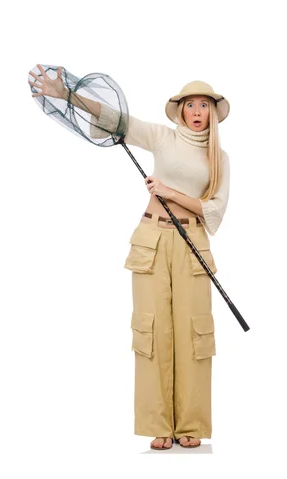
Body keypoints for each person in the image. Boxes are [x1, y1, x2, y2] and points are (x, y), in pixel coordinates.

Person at [30, 65, 230, 450]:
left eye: (204, 104)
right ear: (180, 109)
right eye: (190, 104)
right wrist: (66, 94)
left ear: (213, 112)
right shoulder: (161, 136)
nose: (197, 110)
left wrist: (169, 192)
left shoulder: (219, 158)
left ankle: (190, 423)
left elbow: (214, 210)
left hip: (193, 247)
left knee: (194, 332)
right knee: (151, 331)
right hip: (151, 241)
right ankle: (158, 423)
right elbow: (115, 120)